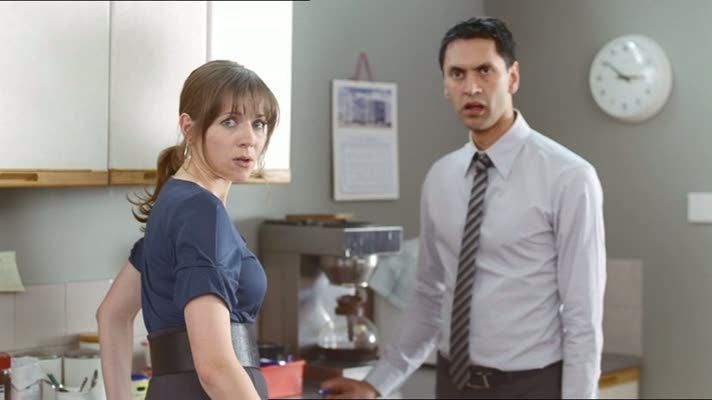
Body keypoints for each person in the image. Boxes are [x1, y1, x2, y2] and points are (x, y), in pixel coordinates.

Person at [321, 16, 605, 399]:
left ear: (512, 77)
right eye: (457, 74)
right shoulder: (441, 177)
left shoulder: (569, 177)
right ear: (445, 85)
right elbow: (428, 297)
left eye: (485, 70)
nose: (471, 87)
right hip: (453, 384)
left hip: (532, 386)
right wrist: (376, 384)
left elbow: (583, 317)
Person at [97, 59, 279, 400]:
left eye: (259, 123)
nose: (249, 139)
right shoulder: (201, 212)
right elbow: (214, 367)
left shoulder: (174, 204)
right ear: (189, 127)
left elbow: (112, 313)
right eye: (229, 121)